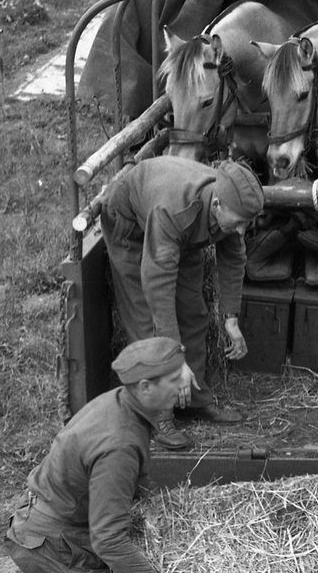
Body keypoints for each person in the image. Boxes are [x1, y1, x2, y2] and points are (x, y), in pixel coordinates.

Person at [4, 337, 200, 573]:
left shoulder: (120, 402)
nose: (185, 383)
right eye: (175, 379)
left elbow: (131, 483)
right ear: (146, 387)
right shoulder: (118, 444)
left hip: (58, 524)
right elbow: (108, 539)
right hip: (55, 546)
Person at [101, 156, 264, 449]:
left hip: (183, 234)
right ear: (217, 206)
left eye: (247, 223)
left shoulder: (229, 206)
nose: (242, 231)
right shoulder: (174, 210)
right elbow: (158, 290)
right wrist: (175, 360)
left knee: (193, 312)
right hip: (131, 226)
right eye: (239, 223)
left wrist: (230, 318)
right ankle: (158, 415)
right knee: (146, 322)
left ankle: (193, 401)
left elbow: (233, 258)